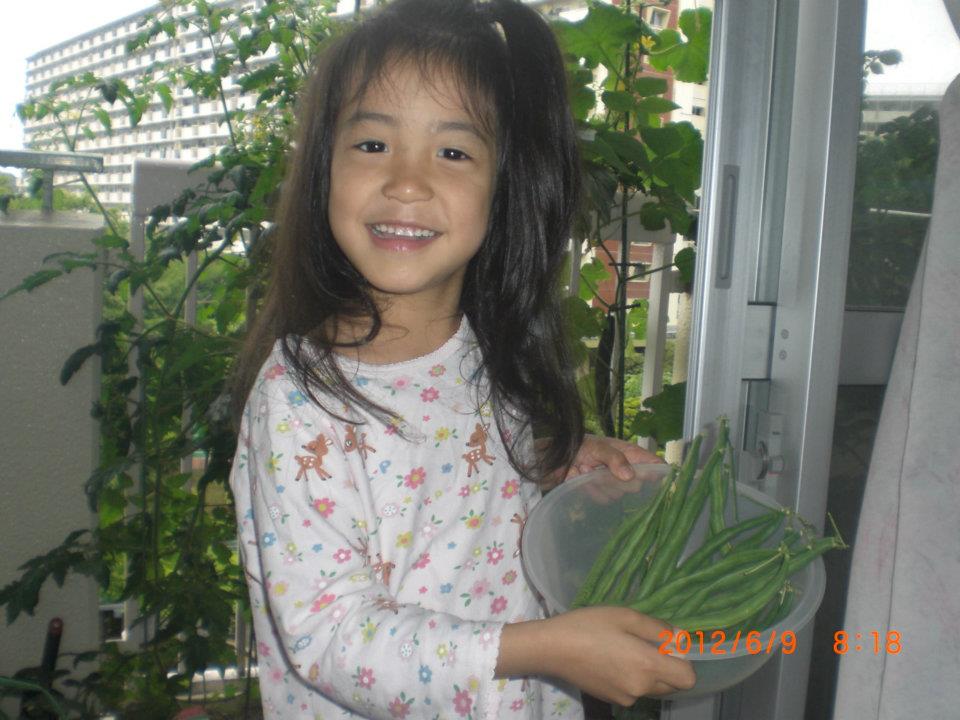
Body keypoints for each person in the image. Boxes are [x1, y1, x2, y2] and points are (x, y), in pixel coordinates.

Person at [228, 0, 696, 716]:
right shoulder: (297, 398)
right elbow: (330, 637)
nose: (407, 182)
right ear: (325, 166)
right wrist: (546, 647)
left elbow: (449, 469)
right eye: (372, 145)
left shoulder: (477, 344)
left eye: (453, 152)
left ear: (504, 187)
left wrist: (552, 461)